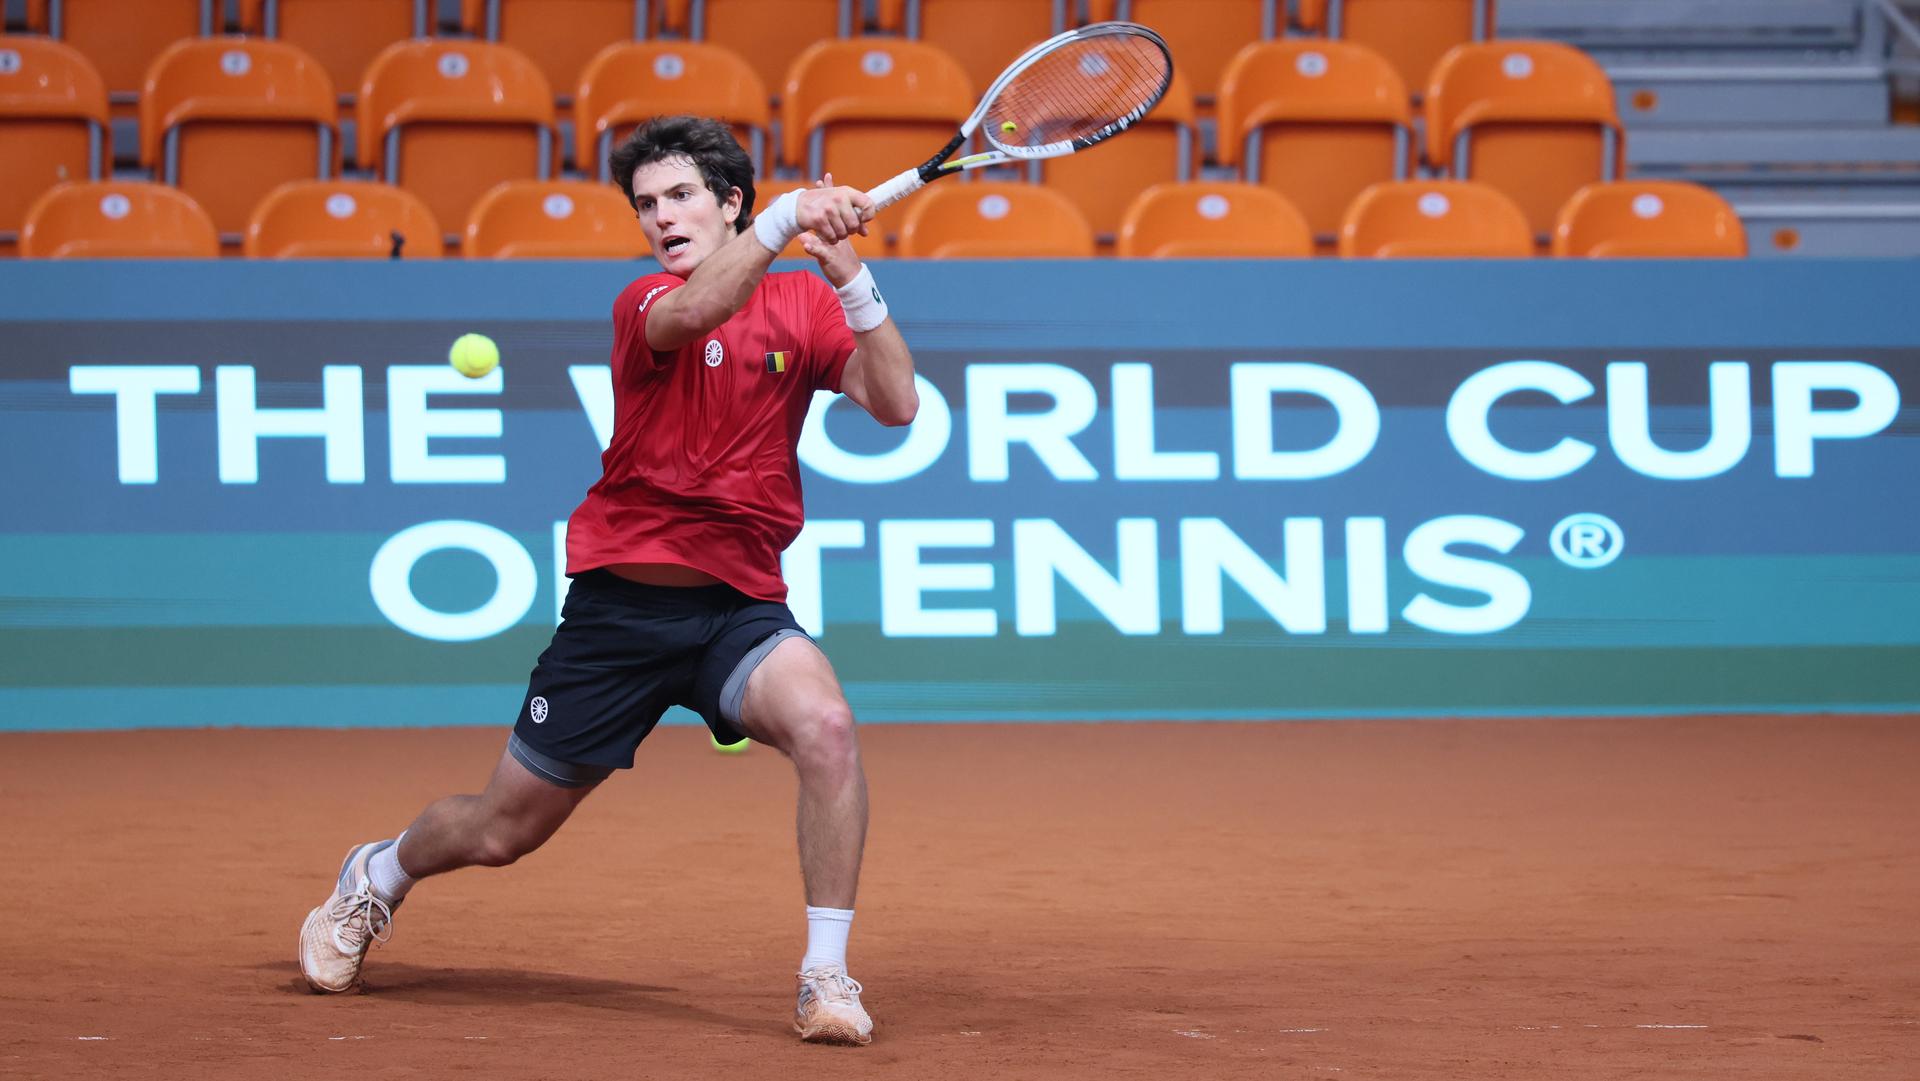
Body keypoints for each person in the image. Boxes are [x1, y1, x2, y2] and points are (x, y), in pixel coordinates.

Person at [298, 115, 917, 1048]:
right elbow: (696, 312)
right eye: (646, 204)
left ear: (728, 202)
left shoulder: (802, 304)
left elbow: (896, 402)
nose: (661, 218)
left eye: (679, 196)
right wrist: (791, 217)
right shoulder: (643, 304)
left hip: (738, 609)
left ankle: (824, 974)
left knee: (827, 726)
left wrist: (848, 275)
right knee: (503, 830)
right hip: (621, 613)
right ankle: (376, 876)